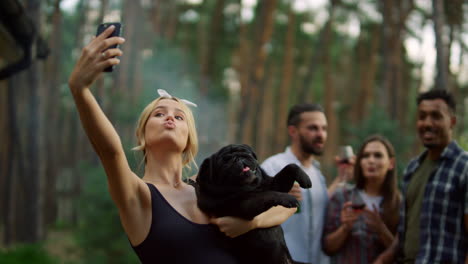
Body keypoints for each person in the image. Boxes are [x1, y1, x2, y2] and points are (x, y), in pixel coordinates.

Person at [68, 25, 297, 264]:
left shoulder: (212, 187)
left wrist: (251, 223)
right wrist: (79, 90)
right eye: (158, 114)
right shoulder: (138, 195)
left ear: (189, 138)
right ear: (142, 135)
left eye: (179, 117)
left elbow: (289, 206)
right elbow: (111, 152)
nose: (170, 117)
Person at [374, 89, 468, 264]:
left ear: (452, 122)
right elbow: (406, 231)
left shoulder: (464, 167)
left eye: (436, 116)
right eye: (422, 116)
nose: (427, 123)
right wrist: (385, 257)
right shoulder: (412, 168)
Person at [261, 103, 330, 264]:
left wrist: (342, 179)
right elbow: (252, 210)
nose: (321, 134)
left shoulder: (319, 174)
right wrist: (276, 197)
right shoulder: (273, 166)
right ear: (293, 131)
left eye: (324, 128)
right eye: (313, 128)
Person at [322, 135, 401, 263]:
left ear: (391, 163)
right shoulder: (342, 197)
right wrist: (345, 228)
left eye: (378, 155)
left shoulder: (399, 204)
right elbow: (327, 248)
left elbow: (402, 253)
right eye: (365, 156)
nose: (371, 160)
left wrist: (381, 229)